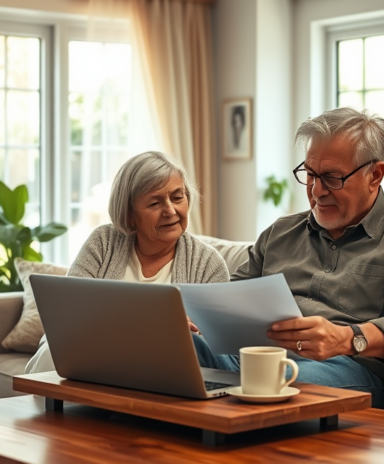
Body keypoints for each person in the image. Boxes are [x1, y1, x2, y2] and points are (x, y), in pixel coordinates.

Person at [193, 107, 384, 408]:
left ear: (375, 175)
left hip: (346, 367)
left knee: (291, 383)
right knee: (179, 351)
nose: (316, 191)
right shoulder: (280, 233)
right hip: (260, 356)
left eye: (331, 178)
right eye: (310, 175)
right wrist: (196, 316)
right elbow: (229, 297)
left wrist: (345, 338)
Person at [25, 151, 230, 373]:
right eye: (154, 203)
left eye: (177, 197)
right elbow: (68, 313)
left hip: (159, 366)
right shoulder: (103, 242)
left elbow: (218, 347)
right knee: (53, 353)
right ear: (130, 213)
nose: (170, 210)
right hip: (86, 348)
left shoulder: (208, 263)